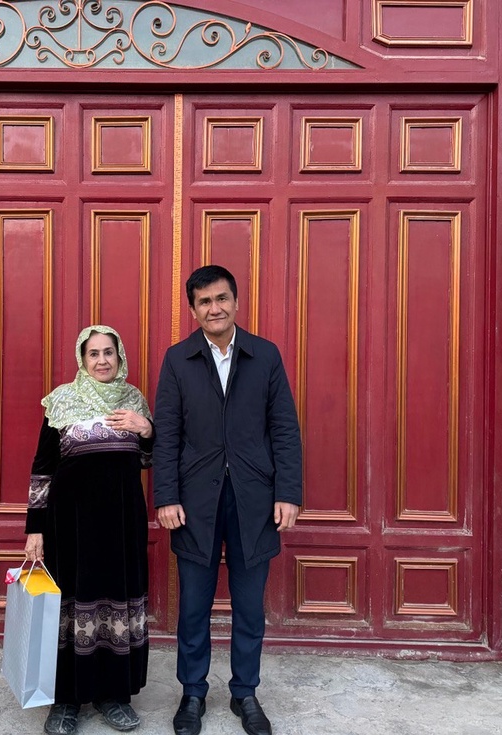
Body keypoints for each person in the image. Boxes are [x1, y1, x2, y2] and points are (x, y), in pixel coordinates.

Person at [153, 265, 302, 735]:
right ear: (193, 310)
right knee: (194, 606)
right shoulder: (178, 360)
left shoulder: (265, 355)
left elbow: (284, 429)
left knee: (249, 605)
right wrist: (166, 496)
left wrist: (288, 493)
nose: (214, 308)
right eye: (204, 301)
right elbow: (167, 435)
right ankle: (193, 693)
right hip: (194, 502)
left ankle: (245, 693)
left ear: (236, 302)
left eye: (221, 299)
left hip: (254, 500)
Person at [24, 325, 155, 735]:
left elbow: (150, 459)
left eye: (108, 352)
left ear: (120, 356)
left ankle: (113, 695)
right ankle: (66, 701)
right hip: (71, 528)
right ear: (82, 359)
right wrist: (35, 529)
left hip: (121, 526)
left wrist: (147, 429)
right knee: (70, 607)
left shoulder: (134, 401)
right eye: (93, 353)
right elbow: (43, 469)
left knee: (117, 603)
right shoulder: (62, 400)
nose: (102, 360)